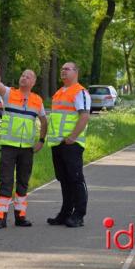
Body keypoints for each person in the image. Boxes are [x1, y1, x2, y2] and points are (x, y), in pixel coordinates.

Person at [0, 61, 47, 229]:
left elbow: (44, 121)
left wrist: (41, 141)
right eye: (22, 75)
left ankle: (21, 217)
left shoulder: (37, 100)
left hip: (27, 150)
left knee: (23, 182)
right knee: (6, 181)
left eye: (28, 76)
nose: (24, 78)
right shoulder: (9, 94)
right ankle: (1, 218)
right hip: (9, 147)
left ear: (33, 82)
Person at [46, 62, 90, 228]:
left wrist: (72, 137)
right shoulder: (59, 93)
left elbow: (84, 117)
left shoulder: (80, 92)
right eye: (62, 68)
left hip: (72, 143)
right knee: (64, 179)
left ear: (76, 72)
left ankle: (79, 215)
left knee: (76, 178)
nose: (63, 71)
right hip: (58, 143)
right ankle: (65, 213)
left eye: (67, 69)